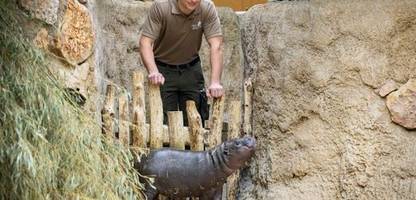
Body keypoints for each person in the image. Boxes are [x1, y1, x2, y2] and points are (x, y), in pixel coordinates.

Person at [139, 0, 224, 126]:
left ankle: (196, 147)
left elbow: (216, 45)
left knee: (196, 121)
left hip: (191, 68)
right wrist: (153, 71)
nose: (193, 0)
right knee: (164, 123)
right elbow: (145, 42)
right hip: (163, 70)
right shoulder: (161, 7)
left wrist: (215, 82)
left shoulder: (206, 8)